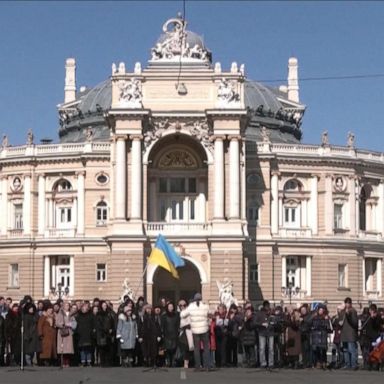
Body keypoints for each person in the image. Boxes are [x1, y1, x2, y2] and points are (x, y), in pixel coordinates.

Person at [180, 293, 211, 371]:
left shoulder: (191, 306)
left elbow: (182, 315)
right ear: (201, 298)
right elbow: (211, 313)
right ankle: (207, 366)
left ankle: (197, 366)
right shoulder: (205, 306)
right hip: (204, 329)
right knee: (206, 348)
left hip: (195, 331)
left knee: (196, 349)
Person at [359, 304, 383, 370]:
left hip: (375, 338)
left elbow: (378, 326)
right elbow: (364, 327)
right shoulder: (367, 317)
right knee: (366, 352)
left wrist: (374, 318)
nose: (372, 313)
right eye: (371, 311)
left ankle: (374, 365)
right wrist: (371, 318)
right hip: (367, 338)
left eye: (374, 311)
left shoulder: (377, 317)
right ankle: (367, 365)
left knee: (374, 353)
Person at [310, 304, 332, 369]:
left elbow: (329, 327)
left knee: (323, 350)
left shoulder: (326, 317)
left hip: (323, 335)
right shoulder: (314, 317)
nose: (321, 311)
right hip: (316, 336)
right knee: (317, 350)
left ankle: (324, 362)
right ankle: (318, 362)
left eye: (322, 310)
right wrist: (312, 316)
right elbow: (309, 322)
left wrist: (326, 320)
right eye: (320, 310)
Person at [339, 297, 358, 370]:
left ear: (350, 304)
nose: (347, 305)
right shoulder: (343, 311)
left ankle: (353, 364)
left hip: (351, 334)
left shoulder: (353, 311)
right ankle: (347, 364)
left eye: (348, 303)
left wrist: (348, 315)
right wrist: (339, 321)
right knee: (345, 350)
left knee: (351, 350)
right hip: (344, 334)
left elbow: (354, 323)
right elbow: (339, 321)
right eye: (346, 303)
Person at [55, 301, 76, 368]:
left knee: (68, 349)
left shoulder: (71, 314)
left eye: (68, 305)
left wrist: (71, 324)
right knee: (62, 348)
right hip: (62, 333)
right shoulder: (60, 314)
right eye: (66, 305)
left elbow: (74, 323)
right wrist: (63, 324)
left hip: (69, 332)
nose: (67, 306)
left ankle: (67, 362)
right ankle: (63, 362)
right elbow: (57, 323)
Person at [255, 300, 275, 369]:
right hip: (262, 332)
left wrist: (271, 324)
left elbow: (275, 321)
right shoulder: (259, 313)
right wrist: (262, 324)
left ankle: (271, 363)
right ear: (264, 306)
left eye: (268, 306)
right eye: (266, 306)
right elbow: (255, 322)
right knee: (262, 348)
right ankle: (263, 363)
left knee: (271, 348)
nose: (267, 307)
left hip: (270, 332)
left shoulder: (271, 313)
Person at [95, 301, 115, 367]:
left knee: (108, 349)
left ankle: (108, 362)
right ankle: (102, 362)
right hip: (102, 334)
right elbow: (99, 325)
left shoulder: (109, 313)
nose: (105, 306)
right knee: (102, 349)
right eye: (103, 305)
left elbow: (112, 322)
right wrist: (106, 330)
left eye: (105, 305)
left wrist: (111, 329)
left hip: (108, 334)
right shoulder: (99, 314)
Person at [75, 302, 95, 367]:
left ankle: (89, 361)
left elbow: (93, 325)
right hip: (81, 334)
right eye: (83, 307)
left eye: (86, 307)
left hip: (89, 334)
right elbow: (76, 325)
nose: (84, 308)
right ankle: (83, 361)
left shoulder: (91, 315)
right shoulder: (78, 316)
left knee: (88, 349)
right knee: (82, 349)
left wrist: (93, 331)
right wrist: (77, 332)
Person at [161, 302, 179, 367]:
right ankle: (168, 361)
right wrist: (162, 333)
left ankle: (173, 361)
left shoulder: (176, 315)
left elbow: (177, 325)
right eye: (169, 306)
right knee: (167, 349)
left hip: (174, 334)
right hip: (166, 335)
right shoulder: (164, 316)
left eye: (172, 306)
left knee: (174, 349)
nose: (170, 308)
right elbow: (162, 326)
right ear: (167, 307)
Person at [177, 300, 193, 369]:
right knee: (180, 349)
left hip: (188, 332)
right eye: (181, 305)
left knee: (187, 347)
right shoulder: (177, 314)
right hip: (179, 333)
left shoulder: (189, 313)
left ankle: (186, 363)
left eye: (184, 305)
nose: (182, 306)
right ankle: (178, 362)